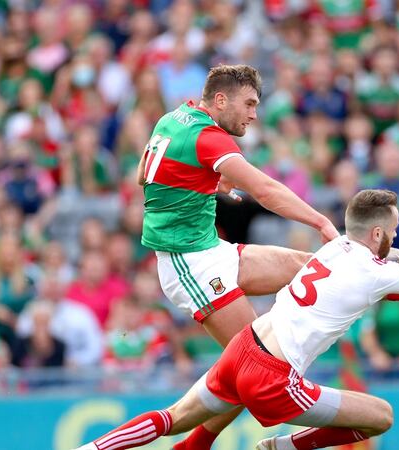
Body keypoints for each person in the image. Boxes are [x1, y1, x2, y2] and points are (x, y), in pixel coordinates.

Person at [74, 189, 399, 450]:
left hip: (244, 346)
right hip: (274, 376)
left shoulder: (339, 247)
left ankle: (93, 449)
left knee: (175, 418)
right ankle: (283, 448)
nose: (396, 235)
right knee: (381, 417)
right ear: (377, 233)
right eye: (394, 229)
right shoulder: (373, 272)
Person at [134, 64, 340, 450]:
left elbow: (144, 175)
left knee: (308, 266)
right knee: (256, 364)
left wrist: (205, 179)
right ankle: (193, 443)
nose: (254, 114)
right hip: (189, 265)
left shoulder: (173, 118)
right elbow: (265, 190)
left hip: (211, 252)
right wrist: (320, 222)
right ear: (221, 100)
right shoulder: (208, 138)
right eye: (249, 104)